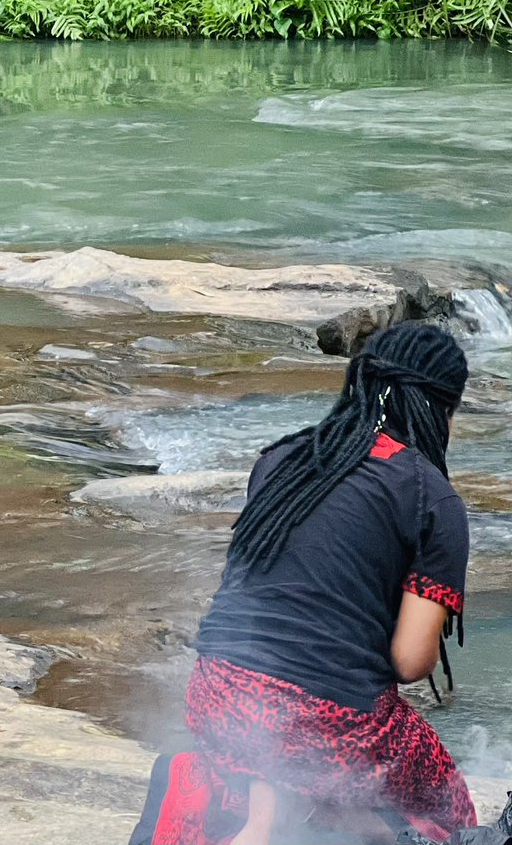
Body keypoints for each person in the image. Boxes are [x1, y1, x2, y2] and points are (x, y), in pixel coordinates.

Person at [151, 322, 478, 845]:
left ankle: (292, 812)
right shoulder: (430, 497)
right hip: (324, 719)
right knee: (446, 805)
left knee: (300, 761)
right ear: (441, 410)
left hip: (217, 690)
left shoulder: (284, 457)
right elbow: (411, 664)